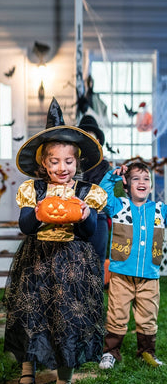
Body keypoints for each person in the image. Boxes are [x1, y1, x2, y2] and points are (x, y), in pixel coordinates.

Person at [2, 98, 107, 384]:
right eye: (54, 162)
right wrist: (36, 213)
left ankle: (65, 382)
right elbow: (25, 227)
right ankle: (27, 370)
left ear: (77, 162)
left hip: (73, 262)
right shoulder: (32, 190)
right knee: (31, 313)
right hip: (37, 259)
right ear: (44, 164)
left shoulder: (88, 192)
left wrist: (86, 216)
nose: (62, 168)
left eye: (68, 161)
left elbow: (88, 233)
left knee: (68, 319)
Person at [98, 162, 165, 370]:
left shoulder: (160, 210)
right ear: (127, 185)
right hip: (121, 275)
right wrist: (112, 177)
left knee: (148, 315)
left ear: (151, 186)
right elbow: (102, 194)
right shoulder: (119, 206)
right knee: (117, 314)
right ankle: (110, 352)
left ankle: (147, 352)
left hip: (150, 276)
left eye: (146, 179)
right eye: (136, 179)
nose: (142, 182)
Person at [78, 115, 111, 281]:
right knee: (77, 262)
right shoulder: (72, 164)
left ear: (97, 141)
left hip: (98, 218)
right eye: (84, 137)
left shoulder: (104, 166)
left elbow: (102, 194)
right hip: (75, 217)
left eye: (91, 137)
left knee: (96, 263)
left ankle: (95, 302)